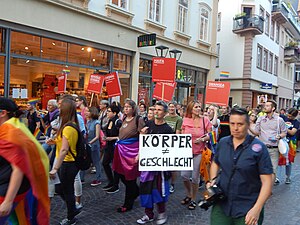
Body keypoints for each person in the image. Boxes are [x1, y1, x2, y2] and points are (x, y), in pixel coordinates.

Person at [207, 107, 273, 225]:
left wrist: (257, 209)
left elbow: (267, 182)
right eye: (232, 124)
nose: (235, 128)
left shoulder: (259, 148)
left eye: (240, 124)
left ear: (248, 125)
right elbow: (215, 163)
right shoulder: (223, 143)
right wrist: (212, 180)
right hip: (222, 205)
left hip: (248, 207)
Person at [0, 97, 50, 224]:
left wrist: (8, 201)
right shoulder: (12, 128)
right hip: (11, 188)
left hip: (7, 192)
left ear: (3, 113)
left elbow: (18, 168)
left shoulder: (11, 132)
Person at [137, 101, 173, 225]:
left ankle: (162, 213)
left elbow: (171, 149)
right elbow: (143, 143)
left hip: (160, 168)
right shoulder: (148, 124)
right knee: (146, 189)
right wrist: (142, 135)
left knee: (158, 190)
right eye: (155, 109)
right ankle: (148, 214)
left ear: (165, 113)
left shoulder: (168, 130)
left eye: (159, 110)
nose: (156, 112)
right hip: (147, 166)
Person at [48, 98, 81, 225]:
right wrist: (54, 141)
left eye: (61, 106)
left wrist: (55, 168)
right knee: (61, 188)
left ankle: (71, 217)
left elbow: (64, 150)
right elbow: (64, 143)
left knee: (66, 190)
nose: (59, 108)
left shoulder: (68, 127)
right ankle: (73, 208)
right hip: (67, 163)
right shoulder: (68, 125)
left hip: (68, 163)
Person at [112, 99, 145, 212]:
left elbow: (142, 137)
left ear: (133, 108)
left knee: (130, 177)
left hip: (131, 152)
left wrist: (140, 152)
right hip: (122, 150)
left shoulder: (138, 120)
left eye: (128, 107)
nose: (126, 108)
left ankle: (128, 204)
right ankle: (136, 191)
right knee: (120, 174)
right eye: (125, 106)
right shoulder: (124, 118)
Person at [181, 101, 212, 210]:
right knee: (184, 175)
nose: (199, 108)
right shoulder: (185, 120)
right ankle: (189, 194)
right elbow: (181, 134)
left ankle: (193, 199)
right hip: (186, 152)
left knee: (195, 178)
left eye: (199, 107)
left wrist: (202, 139)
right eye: (196, 107)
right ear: (191, 108)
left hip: (199, 152)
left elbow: (211, 135)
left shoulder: (205, 120)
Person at [249, 100, 287, 183]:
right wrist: (248, 127)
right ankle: (261, 186)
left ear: (273, 108)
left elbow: (284, 132)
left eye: (267, 106)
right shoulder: (261, 118)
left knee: (273, 170)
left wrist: (279, 136)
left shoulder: (279, 120)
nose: (265, 107)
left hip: (274, 148)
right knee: (260, 168)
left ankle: (269, 188)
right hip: (262, 148)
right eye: (265, 106)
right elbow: (256, 132)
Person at [102, 104, 122, 193]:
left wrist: (112, 138)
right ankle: (111, 180)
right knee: (105, 163)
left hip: (115, 146)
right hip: (108, 145)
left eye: (109, 111)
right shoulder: (109, 120)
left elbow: (121, 136)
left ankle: (115, 184)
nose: (107, 113)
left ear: (114, 113)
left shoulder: (118, 122)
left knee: (115, 166)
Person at [164, 101, 183, 194]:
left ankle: (173, 184)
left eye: (173, 107)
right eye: (170, 107)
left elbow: (178, 132)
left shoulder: (179, 119)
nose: (171, 108)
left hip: (173, 143)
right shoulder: (165, 117)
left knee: (173, 166)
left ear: (176, 108)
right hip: (163, 143)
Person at [277, 108, 300, 184]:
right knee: (279, 160)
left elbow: (292, 132)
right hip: (281, 141)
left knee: (288, 160)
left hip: (290, 142)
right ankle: (277, 177)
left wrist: (284, 127)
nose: (289, 117)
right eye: (288, 115)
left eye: (291, 116)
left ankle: (288, 177)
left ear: (295, 116)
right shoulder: (283, 117)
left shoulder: (296, 122)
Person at [86, 107, 102, 186]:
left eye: (88, 111)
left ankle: (98, 178)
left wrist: (90, 142)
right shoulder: (88, 122)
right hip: (88, 143)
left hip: (94, 145)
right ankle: (81, 178)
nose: (86, 113)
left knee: (96, 162)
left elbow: (97, 136)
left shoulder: (97, 123)